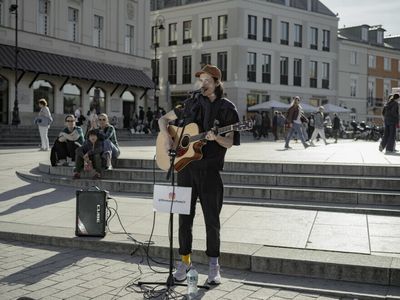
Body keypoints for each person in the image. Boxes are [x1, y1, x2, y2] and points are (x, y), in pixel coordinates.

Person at [158, 64, 240, 285]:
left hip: (210, 172)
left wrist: (217, 138)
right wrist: (168, 138)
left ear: (216, 82)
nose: (202, 84)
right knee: (184, 221)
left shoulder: (227, 109)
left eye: (206, 80)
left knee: (212, 221)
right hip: (185, 170)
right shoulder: (192, 103)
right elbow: (163, 120)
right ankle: (185, 262)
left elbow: (230, 141)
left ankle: (214, 266)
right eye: (200, 80)